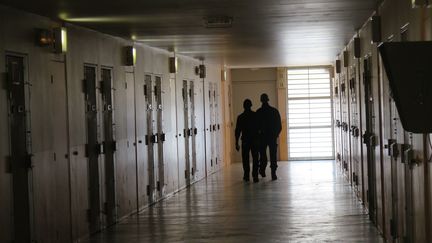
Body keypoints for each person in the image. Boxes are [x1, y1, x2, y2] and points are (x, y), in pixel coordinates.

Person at [256, 93, 282, 180]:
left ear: (261, 100)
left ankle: (262, 170)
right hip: (272, 137)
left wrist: (258, 135)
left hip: (262, 137)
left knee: (263, 156)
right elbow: (279, 126)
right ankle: (273, 173)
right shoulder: (274, 111)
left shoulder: (258, 112)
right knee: (273, 156)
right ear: (268, 100)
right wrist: (275, 134)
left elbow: (256, 127)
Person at [235, 99, 260, 183]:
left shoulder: (241, 117)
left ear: (243, 106)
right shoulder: (256, 115)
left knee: (245, 159)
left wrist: (236, 142)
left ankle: (246, 176)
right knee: (256, 158)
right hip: (255, 140)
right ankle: (255, 176)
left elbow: (237, 131)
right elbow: (259, 128)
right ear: (251, 105)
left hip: (245, 140)